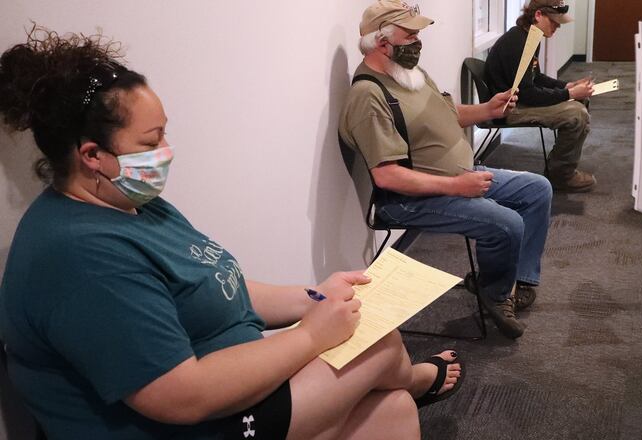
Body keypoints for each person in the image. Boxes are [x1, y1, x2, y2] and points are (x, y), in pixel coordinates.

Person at [0, 27, 463, 440]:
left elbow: (220, 284)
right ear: (92, 156)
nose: (166, 153)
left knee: (393, 410)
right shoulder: (78, 256)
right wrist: (309, 338)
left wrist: (314, 298)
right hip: (196, 418)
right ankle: (417, 377)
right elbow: (180, 398)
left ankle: (407, 384)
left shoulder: (132, 202)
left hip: (236, 383)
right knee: (378, 346)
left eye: (164, 135)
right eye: (149, 142)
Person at [339, 1, 553, 339]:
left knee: (537, 189)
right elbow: (387, 176)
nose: (418, 41)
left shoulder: (408, 73)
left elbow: (446, 113)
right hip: (411, 197)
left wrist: (486, 109)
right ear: (382, 42)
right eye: (411, 35)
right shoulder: (369, 95)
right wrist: (456, 186)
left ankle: (518, 280)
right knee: (507, 222)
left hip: (462, 175)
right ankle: (495, 294)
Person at [484, 0, 597, 192]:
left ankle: (559, 166)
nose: (557, 26)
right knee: (577, 114)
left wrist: (566, 86)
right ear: (538, 15)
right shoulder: (519, 43)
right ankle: (561, 175)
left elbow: (535, 77)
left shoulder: (528, 36)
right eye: (553, 21)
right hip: (510, 108)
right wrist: (568, 93)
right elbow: (527, 93)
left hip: (518, 100)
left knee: (579, 102)